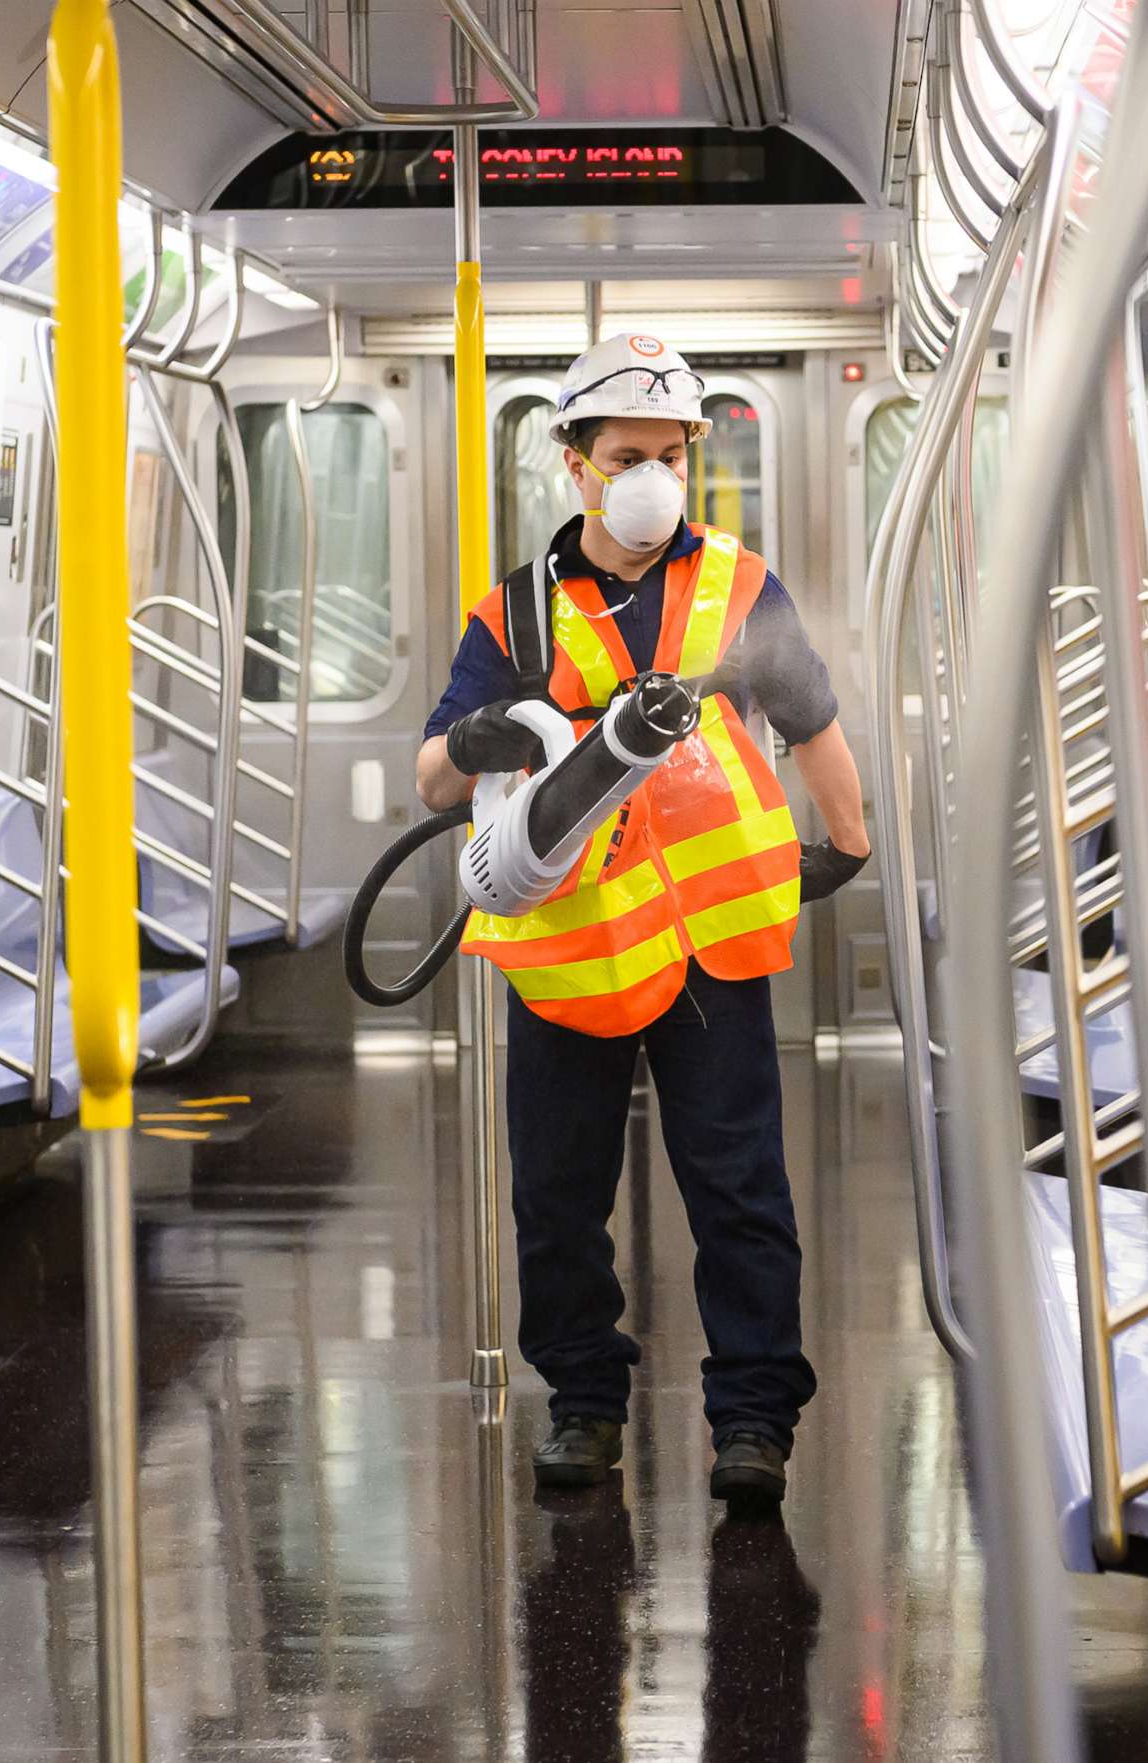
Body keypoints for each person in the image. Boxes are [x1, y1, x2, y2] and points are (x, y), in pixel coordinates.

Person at [417, 333, 873, 1504]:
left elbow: (811, 716)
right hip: (568, 954)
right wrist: (474, 741)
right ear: (573, 464)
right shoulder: (514, 614)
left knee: (739, 1188)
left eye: (671, 452)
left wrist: (851, 836)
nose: (653, 476)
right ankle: (582, 1403)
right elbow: (431, 778)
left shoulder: (736, 584)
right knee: (558, 1196)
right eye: (627, 454)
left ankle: (755, 1419)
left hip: (709, 943)